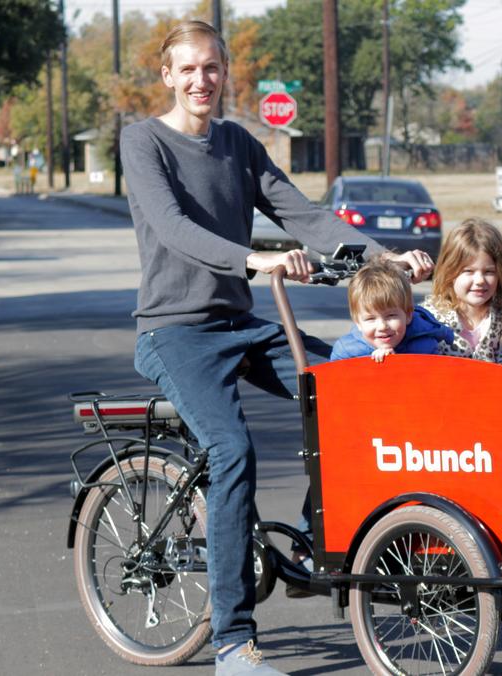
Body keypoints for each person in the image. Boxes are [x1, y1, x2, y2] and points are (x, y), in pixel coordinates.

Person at [120, 20, 434, 675]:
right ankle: (233, 644)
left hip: (241, 326)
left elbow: (307, 217)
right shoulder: (142, 141)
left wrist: (387, 259)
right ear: (167, 76)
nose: (202, 80)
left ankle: (318, 541)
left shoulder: (237, 143)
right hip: (174, 332)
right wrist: (253, 260)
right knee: (231, 449)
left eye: (212, 68)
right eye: (188, 70)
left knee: (350, 390)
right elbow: (174, 229)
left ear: (225, 71)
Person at [420, 218, 502, 367]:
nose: (480, 280)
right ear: (450, 272)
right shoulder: (430, 318)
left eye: (489, 271)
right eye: (468, 271)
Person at [330, 258, 454, 362]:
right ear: (358, 322)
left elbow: (434, 381)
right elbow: (336, 383)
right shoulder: (347, 351)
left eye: (391, 316)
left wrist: (397, 363)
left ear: (408, 314)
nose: (382, 326)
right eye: (370, 318)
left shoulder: (424, 346)